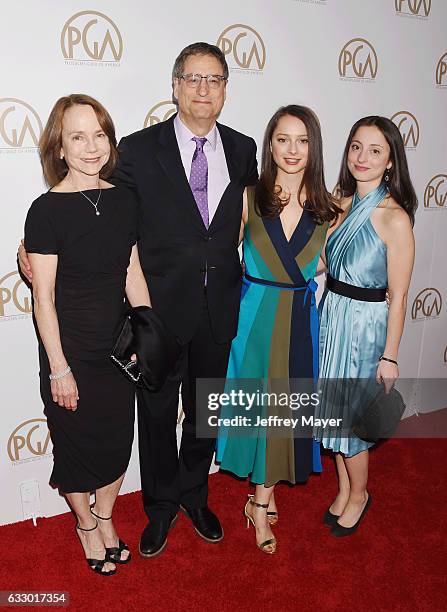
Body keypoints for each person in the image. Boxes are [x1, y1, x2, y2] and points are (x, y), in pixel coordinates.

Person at [20, 42, 258, 557]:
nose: (202, 89)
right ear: (174, 86)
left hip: (218, 306)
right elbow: (89, 205)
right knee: (153, 418)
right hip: (157, 314)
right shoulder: (137, 148)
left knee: (205, 411)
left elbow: (251, 217)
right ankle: (160, 507)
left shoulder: (243, 149)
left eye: (214, 80)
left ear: (225, 90)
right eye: (192, 78)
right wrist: (29, 253)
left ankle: (196, 495)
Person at [23, 94, 151, 575]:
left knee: (117, 443)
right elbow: (44, 297)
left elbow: (132, 273)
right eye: (78, 136)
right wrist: (59, 368)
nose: (92, 146)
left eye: (99, 134)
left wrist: (149, 335)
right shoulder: (46, 211)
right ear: (59, 146)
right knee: (76, 448)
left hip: (118, 350)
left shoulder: (124, 200)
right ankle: (85, 525)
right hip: (70, 350)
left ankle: (105, 517)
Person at [216, 105, 341, 553]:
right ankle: (260, 501)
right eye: (283, 139)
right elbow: (210, 248)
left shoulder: (331, 207)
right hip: (252, 319)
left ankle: (260, 501)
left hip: (298, 320)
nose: (292, 150)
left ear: (315, 147)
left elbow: (344, 258)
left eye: (302, 140)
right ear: (269, 144)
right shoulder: (249, 196)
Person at [314, 116, 416, 536]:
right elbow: (321, 264)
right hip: (331, 316)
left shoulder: (395, 219)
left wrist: (390, 356)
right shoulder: (338, 204)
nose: (363, 157)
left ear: (391, 161)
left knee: (352, 423)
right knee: (333, 414)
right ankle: (343, 489)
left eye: (376, 150)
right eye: (356, 146)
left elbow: (400, 297)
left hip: (365, 330)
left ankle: (359, 495)